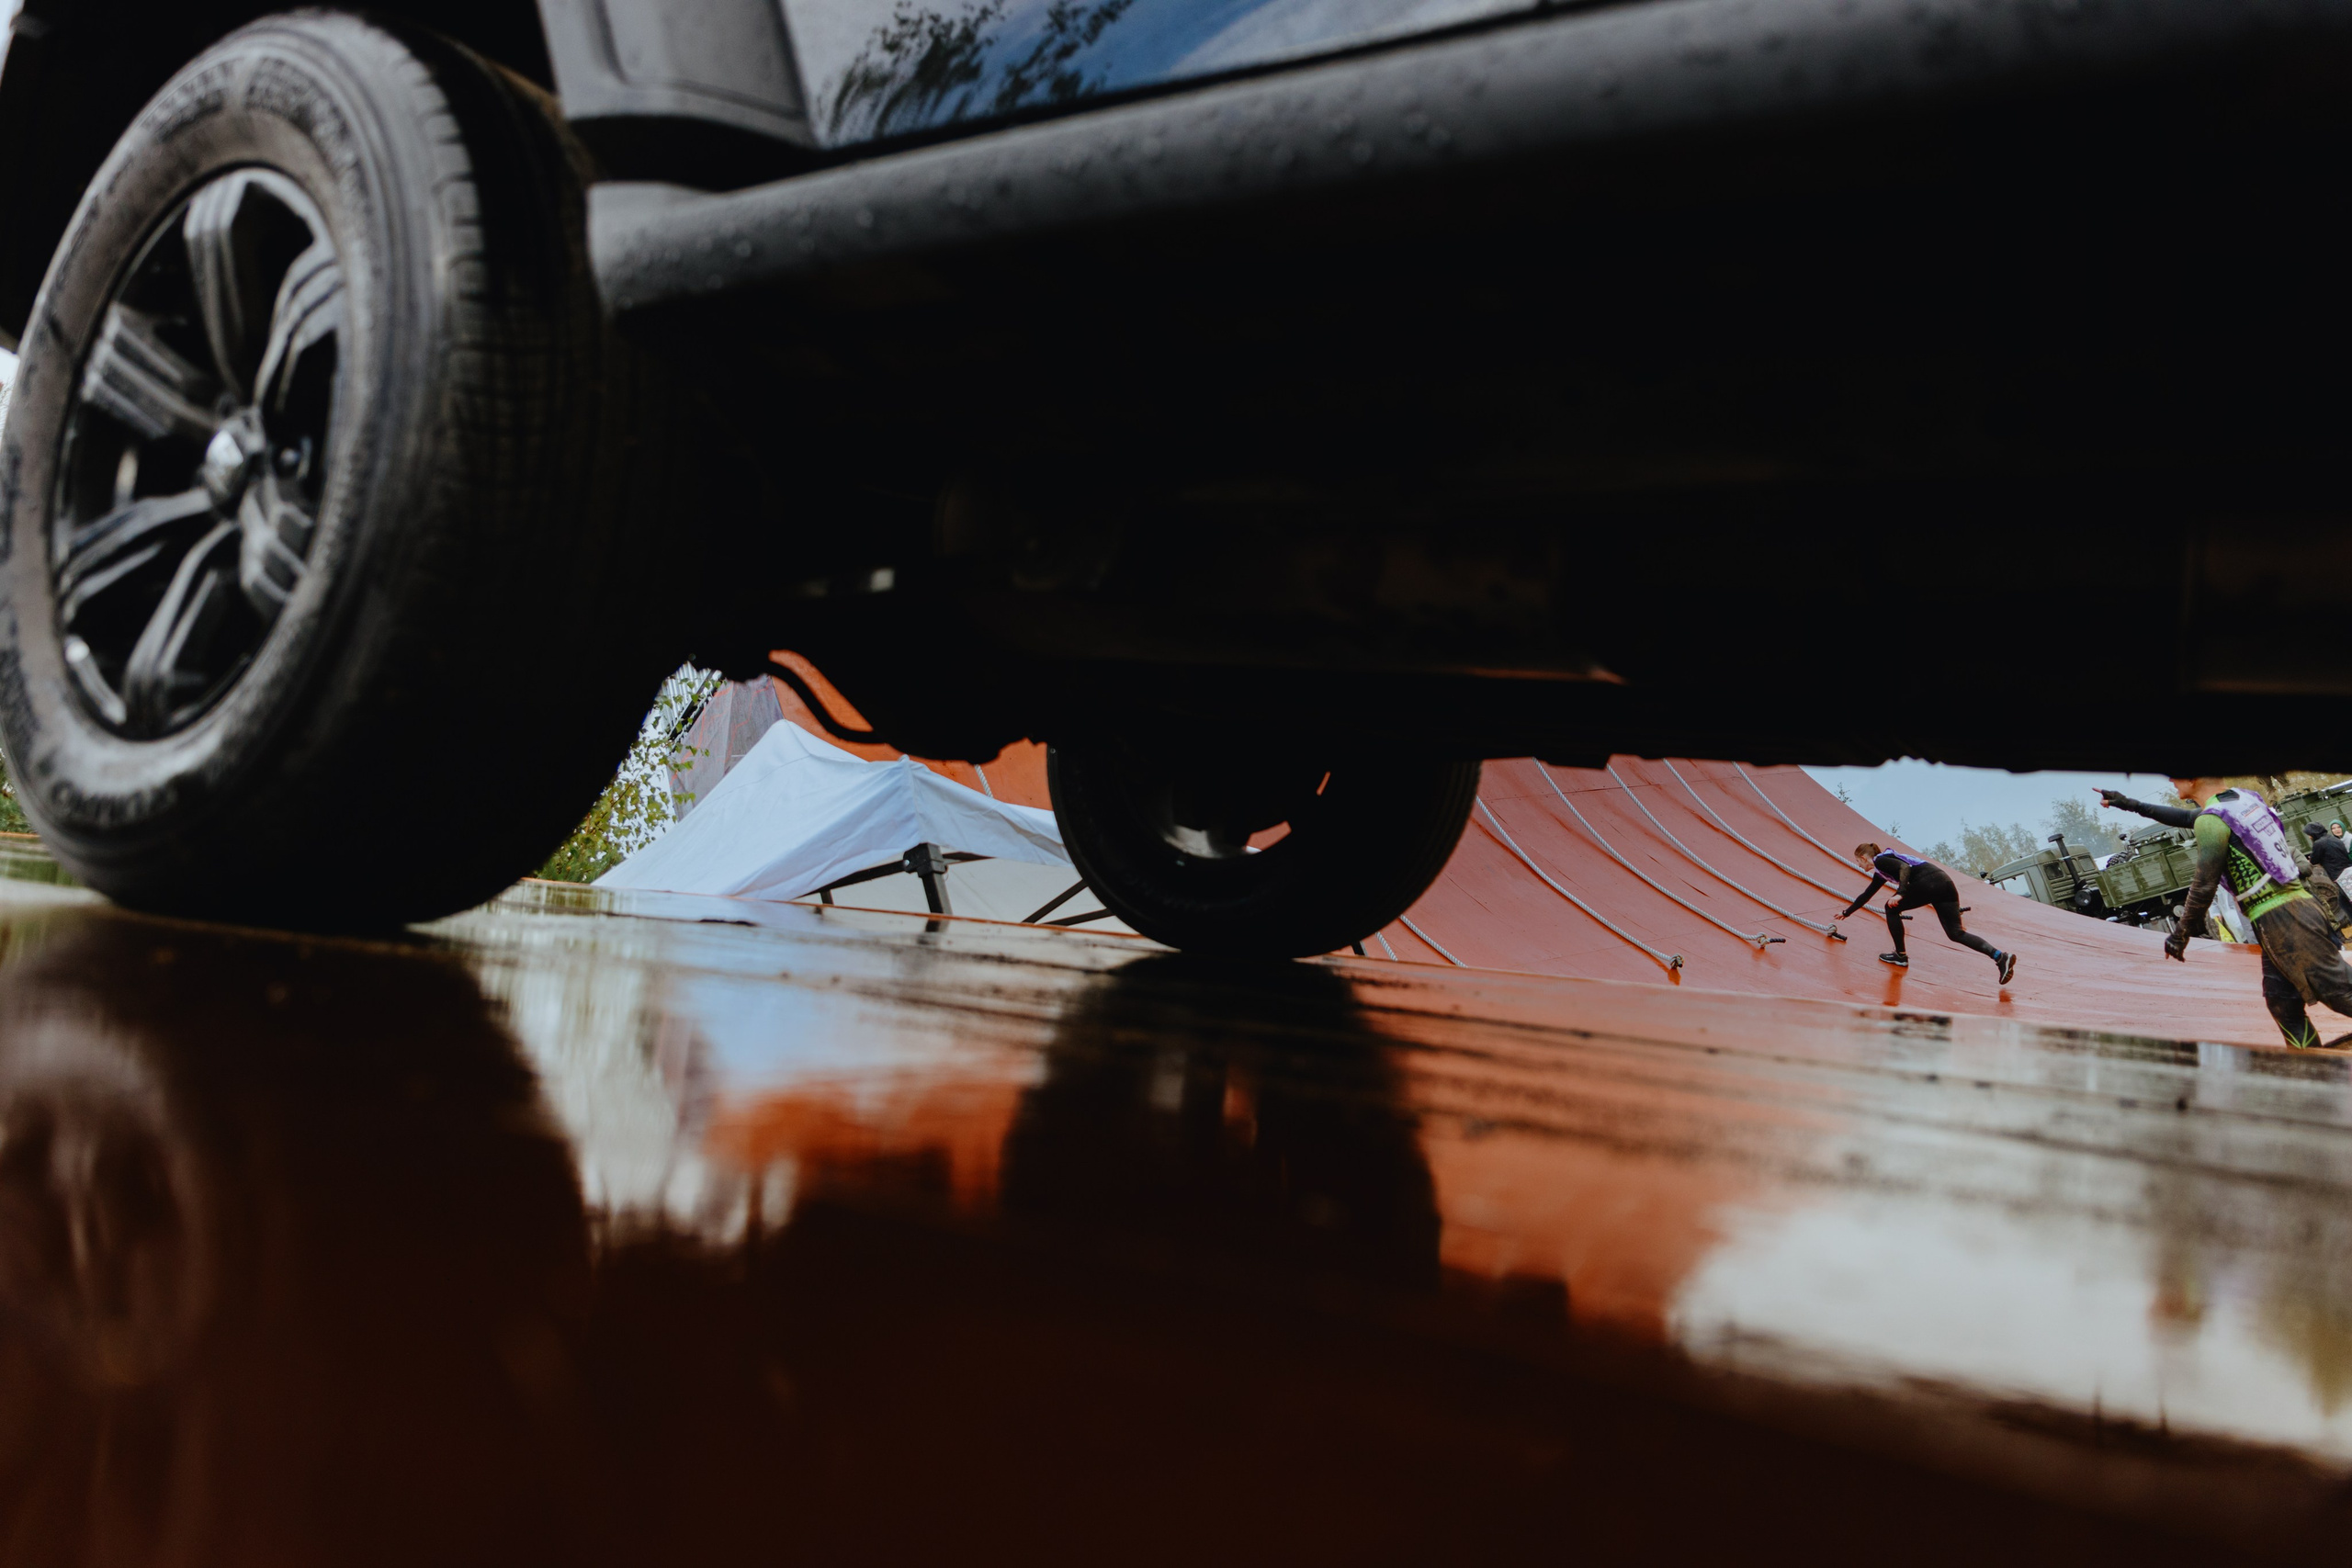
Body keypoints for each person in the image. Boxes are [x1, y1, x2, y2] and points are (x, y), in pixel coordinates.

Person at [2108, 780, 2352, 1050]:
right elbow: (2187, 818)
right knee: (2282, 1003)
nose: (2171, 781)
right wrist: (2131, 805)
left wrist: (2180, 934)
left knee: (2341, 993)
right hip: (2295, 907)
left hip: (2283, 918)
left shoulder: (2212, 821)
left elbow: (2204, 885)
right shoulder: (2243, 799)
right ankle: (2313, 1068)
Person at [1838, 842, 2017, 983]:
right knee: (1955, 933)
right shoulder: (1881, 871)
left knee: (1890, 907)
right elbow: (1867, 894)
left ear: (1863, 858)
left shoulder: (1880, 860)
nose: (1858, 865)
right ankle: (2000, 957)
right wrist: (1847, 912)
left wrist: (1900, 893)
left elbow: (1904, 868)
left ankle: (1900, 956)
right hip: (1944, 883)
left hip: (1929, 882)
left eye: (1858, 861)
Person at [2302, 820, 2352, 929]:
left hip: (2340, 876)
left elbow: (2314, 860)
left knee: (2347, 903)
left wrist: (2312, 858)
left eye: (2309, 834)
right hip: (2347, 872)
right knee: (2343, 903)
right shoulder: (2333, 838)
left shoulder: (2319, 843)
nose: (2309, 837)